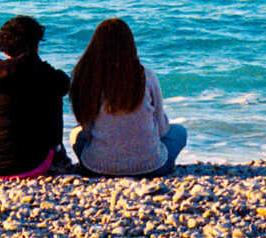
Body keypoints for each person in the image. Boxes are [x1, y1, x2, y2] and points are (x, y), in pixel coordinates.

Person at [69, 17, 187, 177]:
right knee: (179, 131)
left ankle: (99, 160)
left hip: (97, 168)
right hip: (152, 167)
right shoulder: (146, 75)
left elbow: (88, 131)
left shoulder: (86, 76)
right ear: (129, 45)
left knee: (75, 133)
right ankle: (165, 164)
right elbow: (162, 128)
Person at [0, 15, 70, 179]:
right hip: (34, 164)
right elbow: (64, 84)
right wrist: (38, 63)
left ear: (4, 48)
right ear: (35, 45)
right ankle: (58, 153)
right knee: (54, 92)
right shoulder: (43, 74)